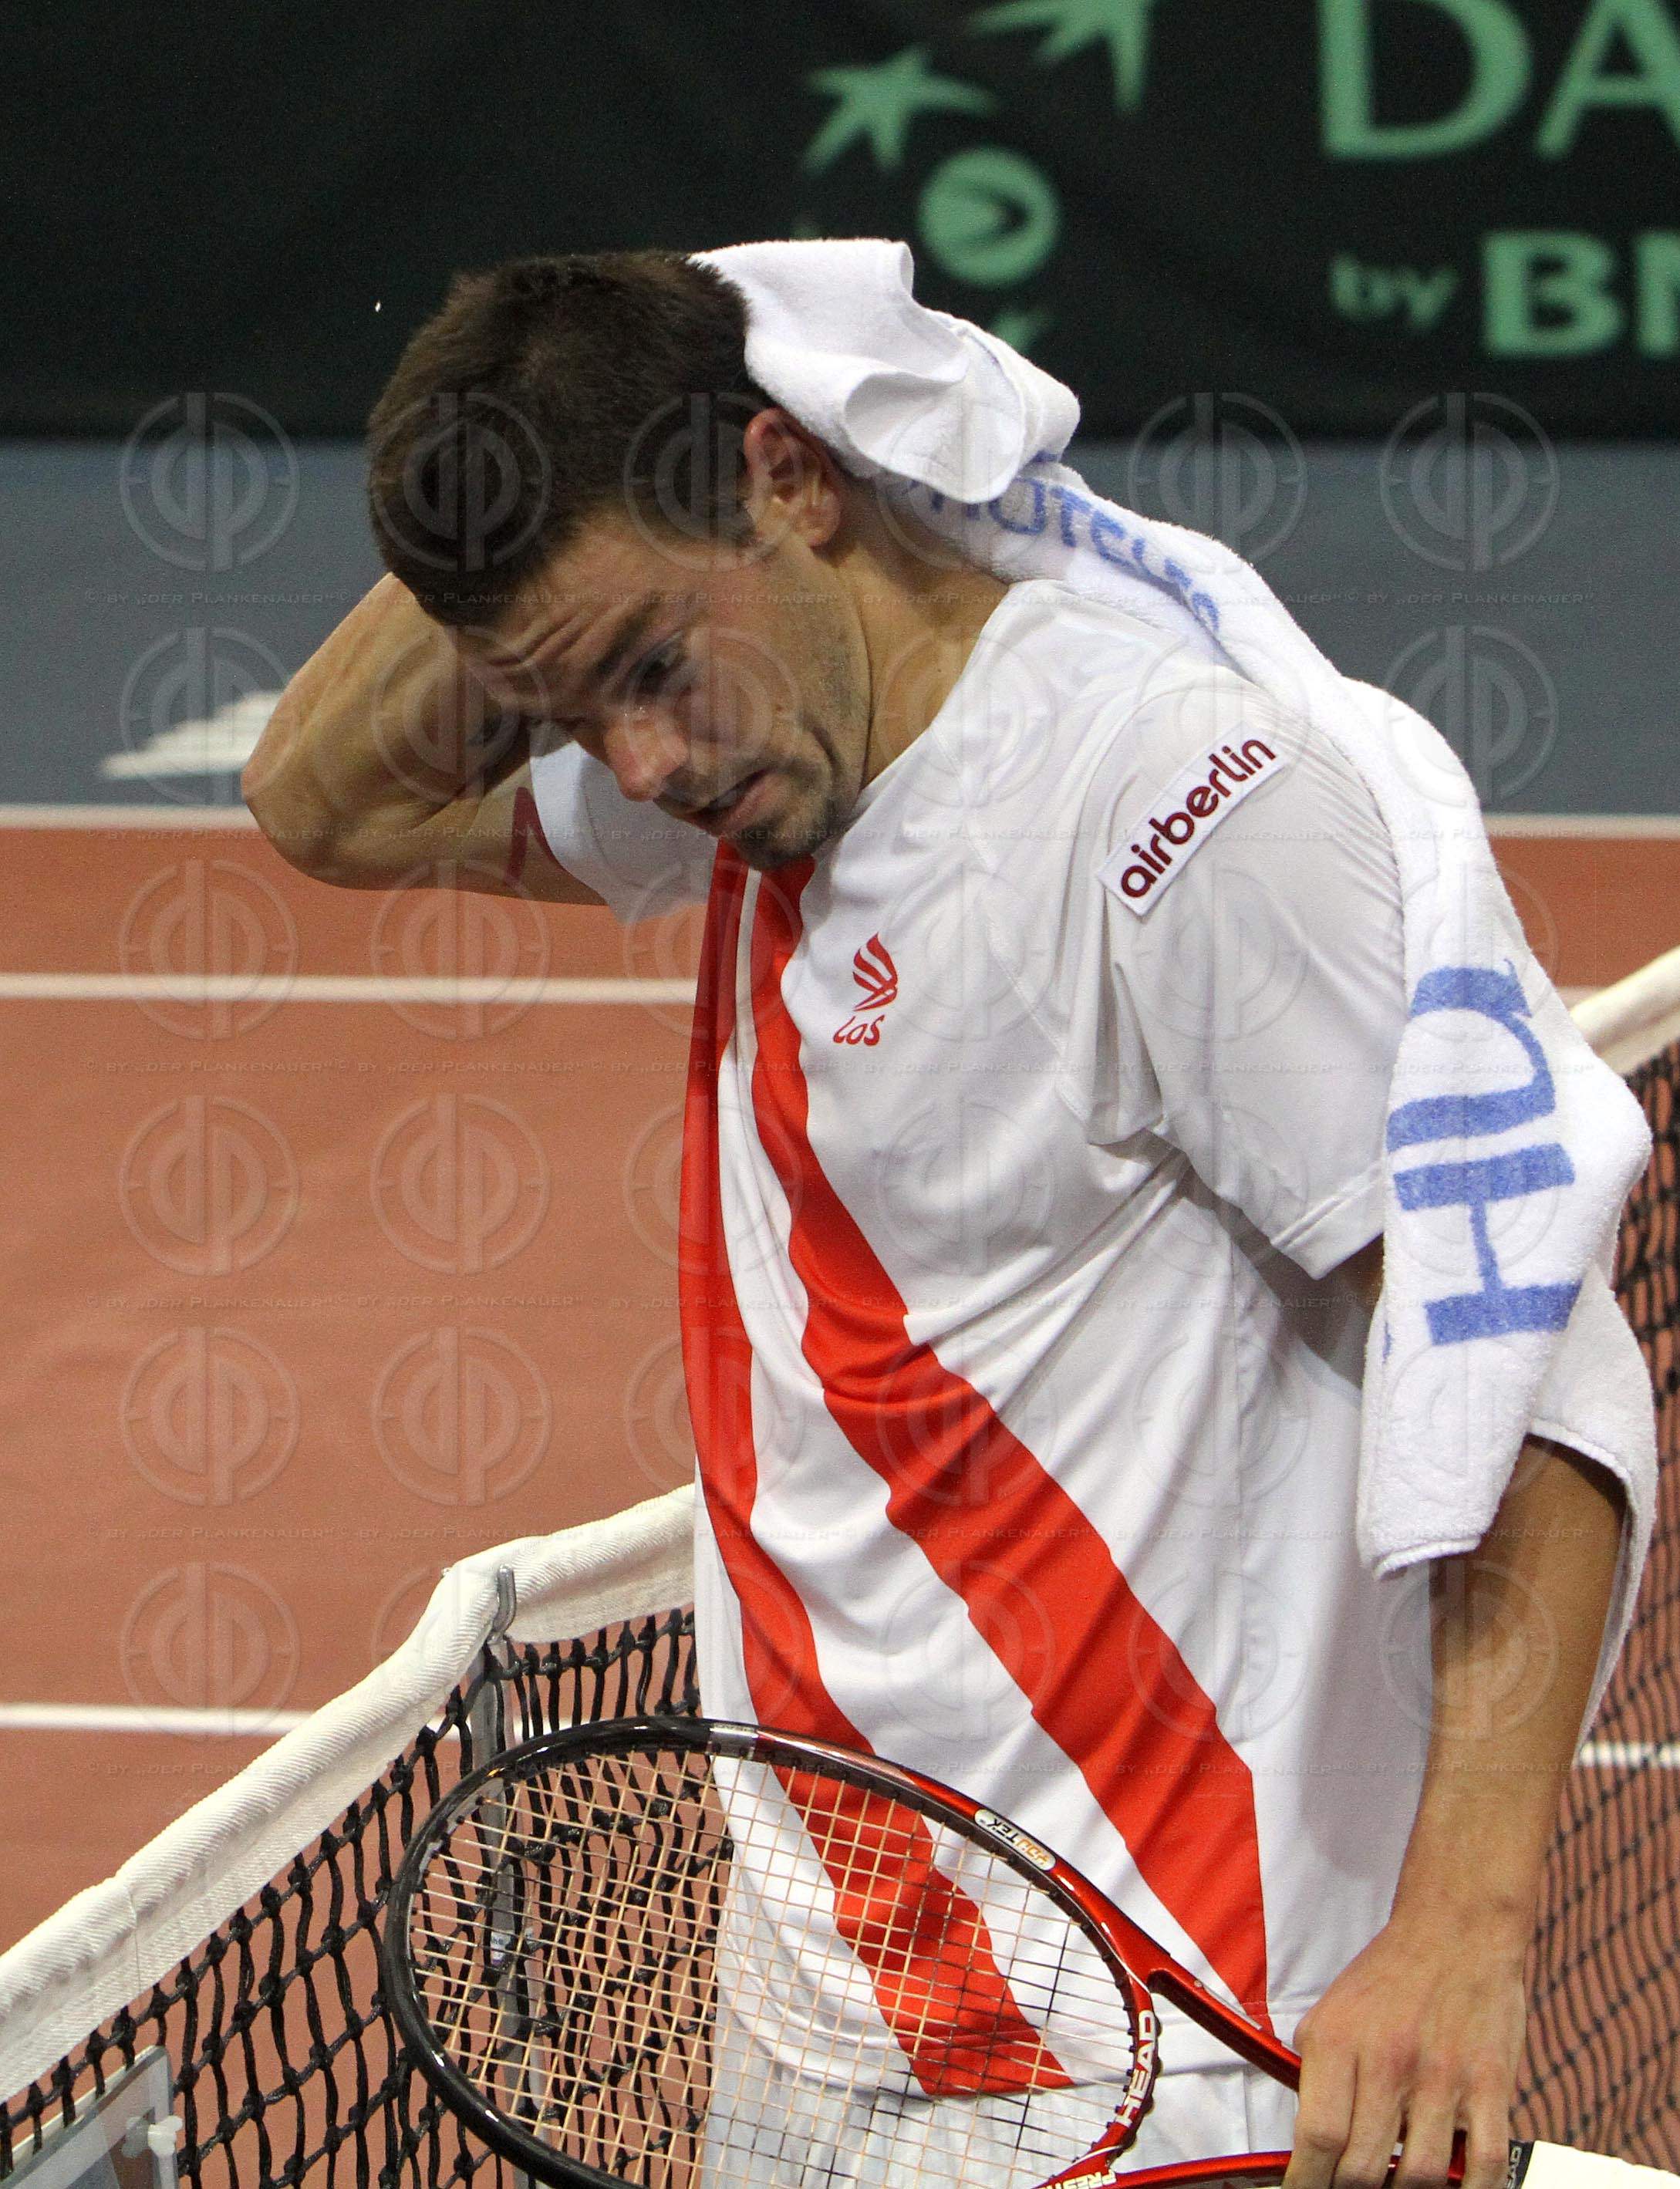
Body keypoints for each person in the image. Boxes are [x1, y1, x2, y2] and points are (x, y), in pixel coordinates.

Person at [245, 249, 1631, 2189]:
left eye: (648, 667)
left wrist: (1467, 1926)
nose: (639, 768)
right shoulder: (756, 769)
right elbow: (319, 803)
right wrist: (608, 367)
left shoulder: (1164, 807)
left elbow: (1532, 1344)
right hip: (821, 2033)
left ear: (794, 478)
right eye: (568, 712)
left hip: (1159, 2049)